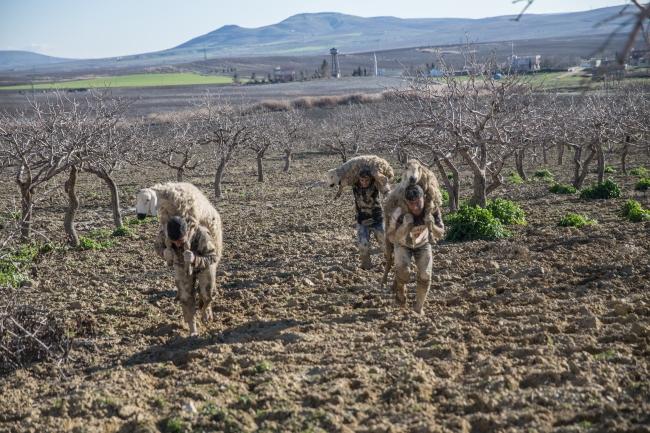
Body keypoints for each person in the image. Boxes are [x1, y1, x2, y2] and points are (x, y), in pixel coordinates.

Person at [154, 216, 218, 337]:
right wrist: (163, 253)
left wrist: (196, 259)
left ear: (187, 232)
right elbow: (157, 246)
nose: (178, 244)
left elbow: (212, 257)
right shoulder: (165, 234)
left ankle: (206, 306)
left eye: (181, 240)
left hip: (203, 261)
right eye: (174, 241)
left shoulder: (201, 234)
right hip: (181, 263)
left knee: (207, 292)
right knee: (185, 294)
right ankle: (192, 327)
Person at [386, 185, 444, 314]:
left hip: (422, 244)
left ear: (423, 198)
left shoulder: (432, 210)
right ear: (407, 202)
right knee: (404, 273)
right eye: (411, 204)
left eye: (418, 202)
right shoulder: (399, 212)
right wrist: (404, 226)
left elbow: (440, 233)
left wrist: (432, 225)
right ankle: (400, 288)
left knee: (425, 275)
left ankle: (419, 307)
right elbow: (391, 237)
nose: (415, 207)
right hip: (402, 244)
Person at [352, 167, 386, 270]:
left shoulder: (375, 183)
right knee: (363, 246)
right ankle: (366, 266)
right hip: (362, 220)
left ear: (371, 178)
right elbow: (344, 178)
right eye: (362, 180)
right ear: (359, 178)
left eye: (367, 180)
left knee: (385, 245)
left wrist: (387, 190)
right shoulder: (354, 184)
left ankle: (390, 260)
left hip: (377, 219)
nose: (364, 182)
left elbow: (384, 186)